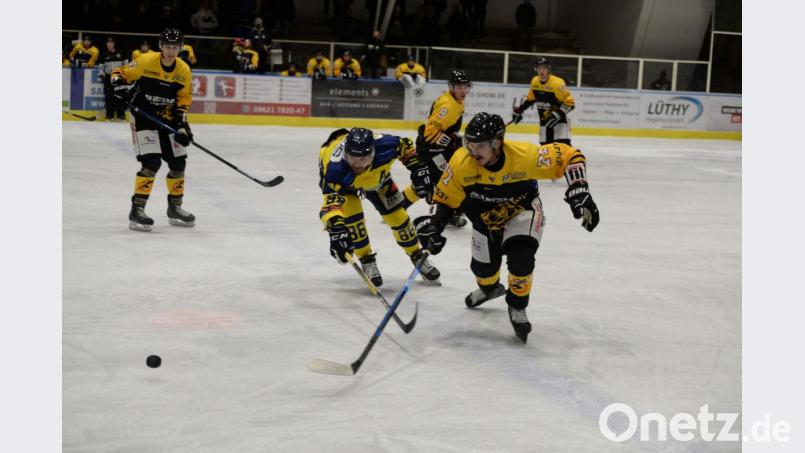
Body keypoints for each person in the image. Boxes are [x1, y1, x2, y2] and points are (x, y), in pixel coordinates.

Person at [414, 112, 600, 343]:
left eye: (480, 146)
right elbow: (444, 199)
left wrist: (579, 190)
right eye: (470, 144)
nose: (473, 151)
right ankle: (489, 288)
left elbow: (571, 155)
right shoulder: (461, 163)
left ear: (497, 143)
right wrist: (434, 226)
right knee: (483, 270)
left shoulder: (524, 156)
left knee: (522, 258)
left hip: (521, 211)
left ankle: (517, 305)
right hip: (483, 218)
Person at [319, 128, 440, 286]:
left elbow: (406, 148)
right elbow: (330, 204)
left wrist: (418, 169)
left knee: (399, 218)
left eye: (363, 159)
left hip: (379, 181)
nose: (357, 165)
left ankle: (417, 255)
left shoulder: (386, 145)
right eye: (352, 158)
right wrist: (337, 230)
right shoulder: (335, 169)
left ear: (373, 153)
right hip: (347, 188)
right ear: (346, 153)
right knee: (354, 224)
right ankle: (366, 259)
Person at [111, 28, 195, 232]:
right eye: (167, 46)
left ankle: (175, 208)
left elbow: (184, 99)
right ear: (161, 46)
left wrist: (182, 125)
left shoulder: (183, 70)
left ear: (180, 48)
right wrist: (118, 87)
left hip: (168, 120)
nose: (171, 51)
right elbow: (118, 73)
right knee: (151, 163)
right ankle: (137, 209)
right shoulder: (145, 61)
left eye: (175, 47)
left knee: (178, 163)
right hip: (144, 118)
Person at [415, 69, 471, 227]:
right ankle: (442, 215)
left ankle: (398, 207)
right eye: (458, 87)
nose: (463, 91)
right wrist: (448, 139)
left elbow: (443, 130)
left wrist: (452, 138)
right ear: (451, 87)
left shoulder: (456, 101)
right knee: (447, 180)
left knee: (438, 179)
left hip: (437, 149)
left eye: (465, 87)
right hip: (431, 150)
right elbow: (428, 133)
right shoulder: (447, 105)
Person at [512, 57, 575, 145]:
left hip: (560, 125)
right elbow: (531, 99)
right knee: (545, 151)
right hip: (544, 124)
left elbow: (570, 104)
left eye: (544, 68)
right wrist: (520, 110)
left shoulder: (557, 83)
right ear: (536, 69)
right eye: (539, 68)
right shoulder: (535, 81)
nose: (541, 71)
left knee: (563, 150)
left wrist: (558, 114)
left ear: (548, 69)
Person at [98, 37, 128, 121]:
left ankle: (121, 115)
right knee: (109, 97)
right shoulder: (103, 54)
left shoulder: (121, 53)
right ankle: (109, 116)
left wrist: (126, 75)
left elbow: (126, 64)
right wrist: (101, 74)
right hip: (108, 77)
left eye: (111, 43)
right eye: (108, 43)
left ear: (114, 44)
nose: (110, 44)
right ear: (106, 44)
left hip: (119, 77)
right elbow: (101, 66)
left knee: (120, 96)